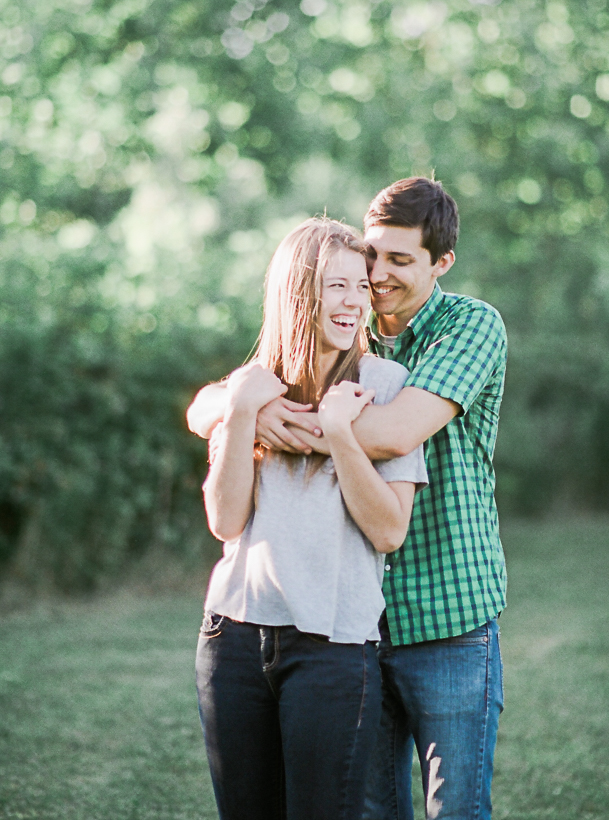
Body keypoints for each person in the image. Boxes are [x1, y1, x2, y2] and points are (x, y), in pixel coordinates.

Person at [188, 178, 507, 820]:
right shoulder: (327, 351)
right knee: (366, 809)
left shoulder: (463, 330)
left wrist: (279, 418)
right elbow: (211, 407)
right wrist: (233, 408)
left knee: (456, 810)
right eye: (367, 262)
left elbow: (389, 433)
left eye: (396, 262)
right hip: (354, 621)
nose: (375, 279)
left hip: (444, 610)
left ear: (440, 262)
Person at [193, 217, 428, 820]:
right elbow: (225, 521)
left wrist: (342, 434)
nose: (356, 302)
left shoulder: (384, 386)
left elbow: (388, 531)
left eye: (360, 286)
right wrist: (240, 412)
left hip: (333, 647)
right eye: (336, 287)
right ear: (298, 293)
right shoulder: (251, 388)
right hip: (234, 639)